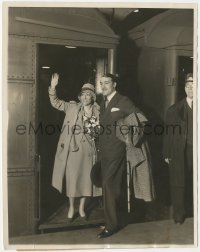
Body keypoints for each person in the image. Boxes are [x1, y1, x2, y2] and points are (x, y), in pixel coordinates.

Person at [49, 73, 101, 221]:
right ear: (79, 97)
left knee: (87, 181)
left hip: (90, 151)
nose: (85, 97)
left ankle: (82, 208)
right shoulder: (72, 107)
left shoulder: (99, 111)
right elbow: (56, 102)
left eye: (88, 95)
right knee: (72, 181)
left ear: (93, 97)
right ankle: (72, 207)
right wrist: (53, 87)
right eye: (83, 95)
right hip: (73, 151)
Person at [97, 73, 143, 238]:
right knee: (111, 187)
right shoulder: (103, 102)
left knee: (108, 185)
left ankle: (111, 225)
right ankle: (112, 220)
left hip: (117, 150)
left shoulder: (123, 100)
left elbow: (141, 118)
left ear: (114, 84)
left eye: (107, 83)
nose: (103, 86)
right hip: (104, 151)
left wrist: (128, 139)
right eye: (101, 83)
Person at [163, 73, 193, 224]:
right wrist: (167, 153)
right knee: (178, 182)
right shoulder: (174, 110)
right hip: (180, 151)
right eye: (188, 86)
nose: (191, 89)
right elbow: (168, 133)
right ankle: (179, 215)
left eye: (194, 86)